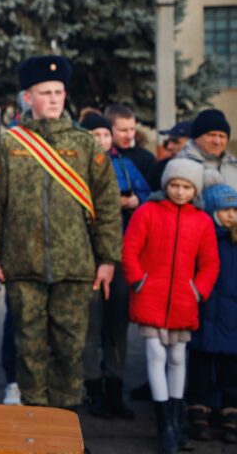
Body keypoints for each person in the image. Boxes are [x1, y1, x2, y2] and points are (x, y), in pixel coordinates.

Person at [0, 55, 122, 412]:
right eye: (46, 92)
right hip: (23, 266)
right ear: (29, 97)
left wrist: (107, 259)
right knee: (28, 350)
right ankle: (35, 433)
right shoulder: (8, 146)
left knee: (70, 351)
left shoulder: (86, 145)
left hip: (75, 268)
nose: (55, 98)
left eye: (59, 91)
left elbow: (107, 205)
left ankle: (67, 434)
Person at [124, 159, 220, 454]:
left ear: (195, 190)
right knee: (155, 354)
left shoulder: (202, 221)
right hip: (151, 297)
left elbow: (209, 263)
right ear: (166, 185)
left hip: (182, 300)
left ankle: (175, 422)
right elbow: (130, 249)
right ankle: (164, 424)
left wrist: (198, 291)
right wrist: (139, 282)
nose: (179, 192)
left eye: (187, 187)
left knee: (178, 357)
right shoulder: (148, 212)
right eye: (175, 185)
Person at [79, 112, 147, 419]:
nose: (103, 141)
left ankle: (115, 389)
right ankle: (92, 389)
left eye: (106, 135)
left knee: (118, 325)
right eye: (97, 135)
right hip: (87, 255)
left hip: (120, 255)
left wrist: (135, 202)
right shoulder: (76, 165)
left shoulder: (125, 165)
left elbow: (150, 195)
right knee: (91, 326)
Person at [186, 180, 237, 442]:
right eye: (226, 210)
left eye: (235, 211)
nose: (232, 215)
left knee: (230, 367)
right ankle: (199, 408)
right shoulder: (203, 239)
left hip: (231, 316)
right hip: (204, 314)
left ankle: (229, 410)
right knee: (202, 365)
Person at [175, 109, 237, 189]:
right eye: (212, 135)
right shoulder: (181, 165)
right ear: (196, 138)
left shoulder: (233, 165)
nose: (217, 142)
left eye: (222, 136)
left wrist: (231, 200)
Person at [105, 104, 156, 181]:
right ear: (108, 129)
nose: (129, 136)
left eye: (132, 129)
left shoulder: (146, 158)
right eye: (123, 130)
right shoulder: (98, 157)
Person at [148, 122, 193, 192]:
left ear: (192, 143)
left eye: (176, 142)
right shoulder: (159, 168)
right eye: (168, 142)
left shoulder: (205, 169)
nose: (169, 147)